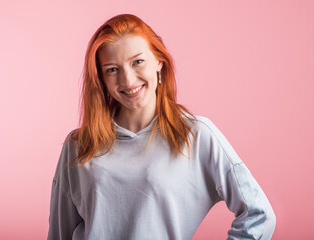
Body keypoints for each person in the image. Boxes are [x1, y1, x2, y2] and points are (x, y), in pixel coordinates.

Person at [47, 14, 276, 240]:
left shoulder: (196, 135)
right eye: (112, 69)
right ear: (102, 79)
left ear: (159, 62)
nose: (128, 80)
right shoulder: (78, 146)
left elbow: (259, 215)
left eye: (137, 62)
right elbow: (59, 234)